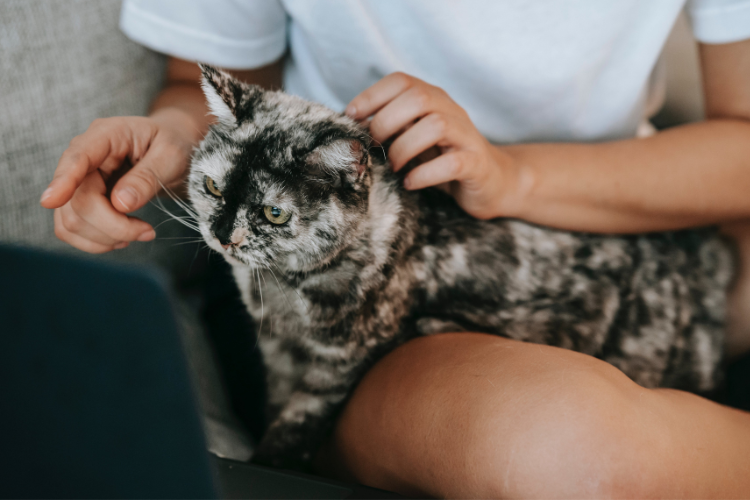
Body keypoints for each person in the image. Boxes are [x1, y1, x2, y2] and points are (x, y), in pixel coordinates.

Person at [41, 1, 750, 497]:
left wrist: (513, 175)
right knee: (580, 458)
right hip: (355, 307)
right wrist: (171, 142)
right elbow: (205, 89)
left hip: (621, 230)